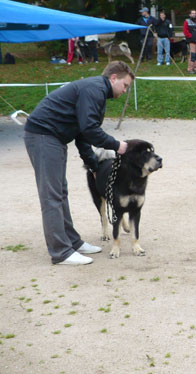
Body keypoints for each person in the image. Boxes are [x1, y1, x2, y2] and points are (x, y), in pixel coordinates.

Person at [23, 61, 133, 265]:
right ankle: (61, 252)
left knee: (60, 192)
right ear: (114, 78)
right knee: (52, 196)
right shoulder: (94, 90)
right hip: (43, 135)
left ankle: (72, 242)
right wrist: (118, 145)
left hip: (54, 137)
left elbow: (83, 133)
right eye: (125, 85)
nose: (125, 91)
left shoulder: (97, 92)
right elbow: (90, 130)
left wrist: (93, 165)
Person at [183, 10, 196, 74]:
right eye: (193, 13)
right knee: (192, 55)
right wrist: (190, 36)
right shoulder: (187, 21)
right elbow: (185, 30)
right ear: (190, 14)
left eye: (195, 13)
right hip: (191, 40)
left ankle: (195, 67)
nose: (194, 14)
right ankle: (190, 68)